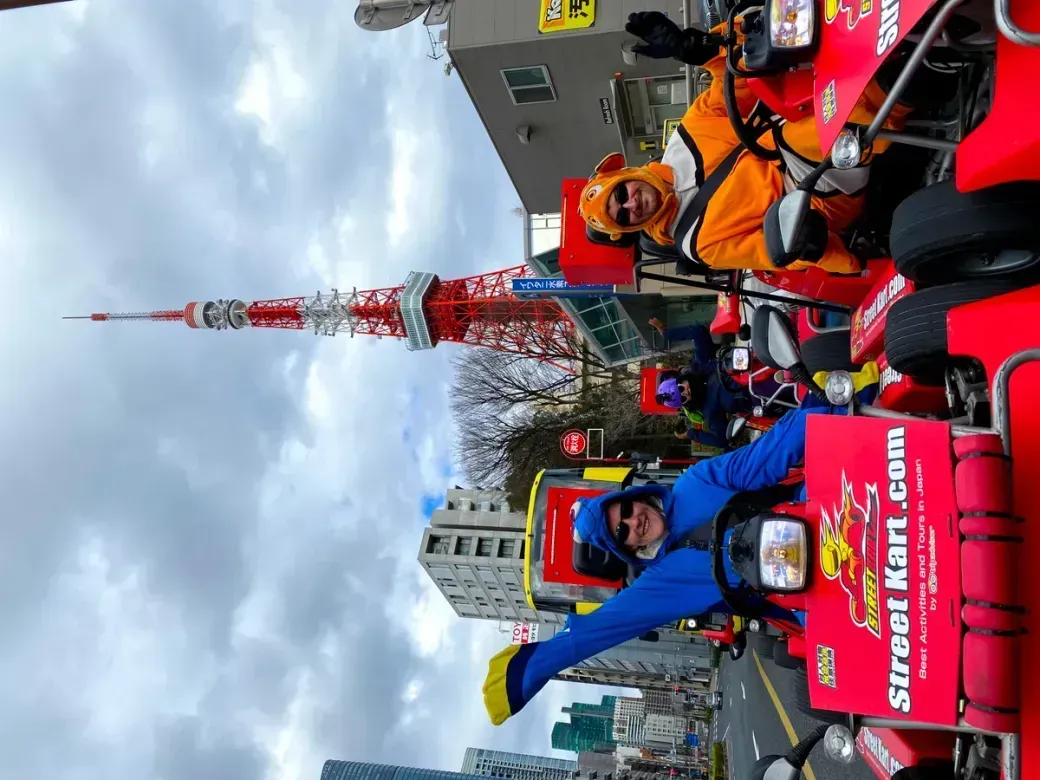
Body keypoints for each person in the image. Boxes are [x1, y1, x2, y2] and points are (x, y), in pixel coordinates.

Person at [482, 365, 880, 726]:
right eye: (621, 532)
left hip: (823, 509)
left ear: (632, 498)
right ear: (624, 548)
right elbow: (597, 630)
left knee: (875, 447)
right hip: (809, 596)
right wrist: (525, 672)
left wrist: (830, 409)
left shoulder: (695, 482)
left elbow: (765, 456)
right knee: (856, 681)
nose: (633, 521)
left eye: (625, 510)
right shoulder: (658, 585)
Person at [576, 11, 912, 275]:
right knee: (799, 135)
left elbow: (735, 86)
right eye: (623, 216)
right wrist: (834, 257)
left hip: (798, 123)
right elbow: (775, 254)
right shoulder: (700, 244)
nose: (631, 205)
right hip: (810, 199)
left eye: (620, 195)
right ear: (630, 229)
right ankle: (910, 86)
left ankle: (893, 29)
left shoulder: (684, 139)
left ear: (625, 174)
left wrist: (702, 48)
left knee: (781, 48)